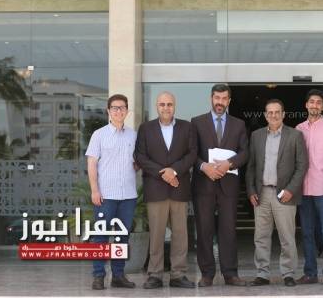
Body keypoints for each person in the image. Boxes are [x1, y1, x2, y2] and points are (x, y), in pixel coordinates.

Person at [134, 92, 197, 289]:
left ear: (174, 106)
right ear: (157, 106)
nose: (166, 108)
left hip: (179, 188)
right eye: (162, 104)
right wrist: (163, 173)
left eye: (169, 104)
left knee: (180, 234)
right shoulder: (146, 128)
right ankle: (155, 275)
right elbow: (140, 156)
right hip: (156, 189)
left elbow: (192, 154)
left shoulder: (187, 127)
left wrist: (174, 170)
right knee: (156, 234)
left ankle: (178, 274)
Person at [245, 99, 307, 287]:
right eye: (270, 112)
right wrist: (251, 190)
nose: (273, 115)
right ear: (265, 115)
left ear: (283, 114)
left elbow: (302, 166)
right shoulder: (256, 136)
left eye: (277, 112)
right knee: (261, 237)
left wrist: (290, 190)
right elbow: (251, 166)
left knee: (287, 236)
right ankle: (262, 274)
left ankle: (288, 273)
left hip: (285, 194)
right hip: (262, 193)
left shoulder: (295, 135)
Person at [191, 84, 248, 287]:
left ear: (229, 101)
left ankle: (230, 273)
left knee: (228, 231)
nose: (220, 102)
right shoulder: (197, 122)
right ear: (211, 98)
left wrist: (229, 164)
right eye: (217, 98)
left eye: (224, 99)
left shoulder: (239, 124)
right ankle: (207, 274)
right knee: (204, 230)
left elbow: (245, 152)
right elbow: (191, 152)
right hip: (203, 185)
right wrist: (203, 166)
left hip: (228, 186)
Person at [85, 94, 137, 290]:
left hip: (128, 196)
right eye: (115, 108)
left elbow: (137, 162)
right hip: (105, 196)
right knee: (101, 236)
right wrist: (94, 190)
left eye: (122, 107)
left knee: (122, 237)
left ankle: (118, 276)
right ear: (108, 111)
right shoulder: (99, 135)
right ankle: (98, 276)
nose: (118, 111)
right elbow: (91, 163)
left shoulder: (133, 135)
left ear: (127, 111)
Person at [295, 89, 323, 285]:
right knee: (307, 233)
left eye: (319, 102)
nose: (315, 105)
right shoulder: (298, 129)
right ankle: (310, 273)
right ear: (306, 105)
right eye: (312, 101)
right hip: (303, 189)